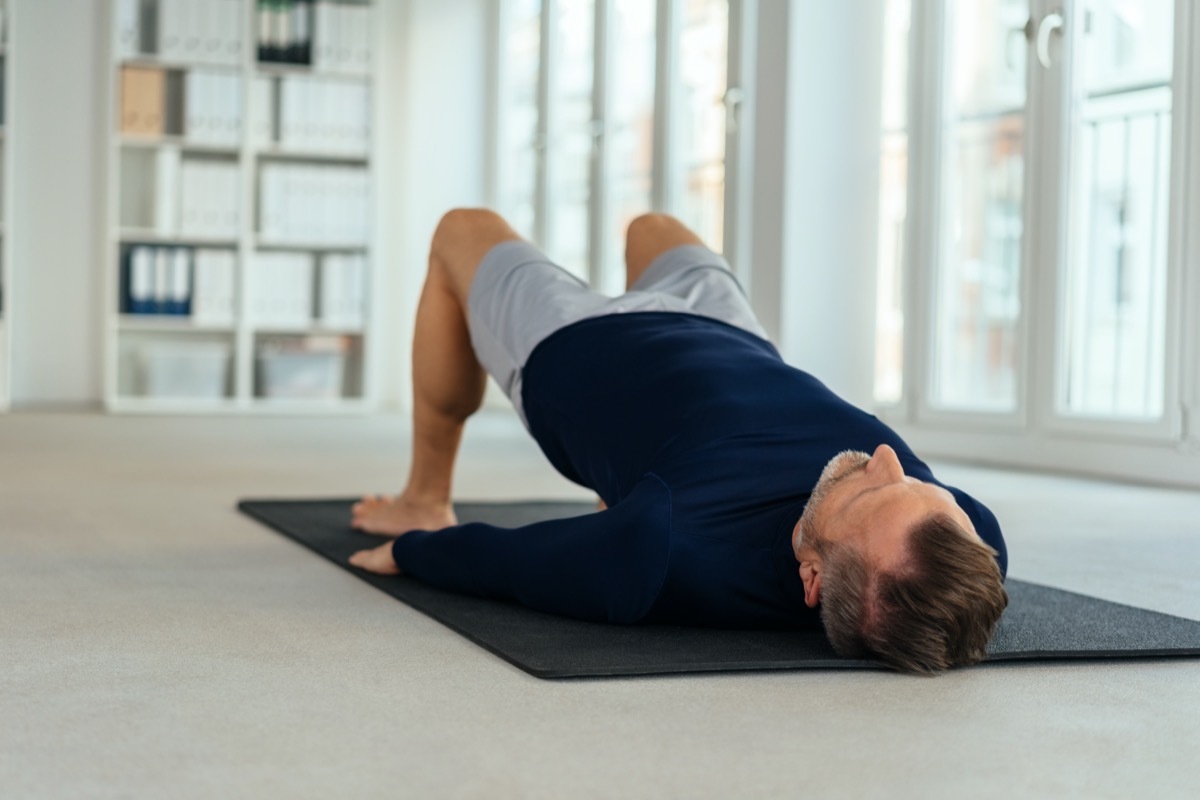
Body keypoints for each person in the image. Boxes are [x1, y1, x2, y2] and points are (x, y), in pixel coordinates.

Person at [348, 208, 1008, 674]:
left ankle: (422, 495)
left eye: (874, 494)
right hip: (732, 333)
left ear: (812, 577)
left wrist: (418, 549)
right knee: (652, 228)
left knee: (461, 229)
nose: (889, 458)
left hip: (579, 343)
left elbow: (522, 562)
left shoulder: (668, 546)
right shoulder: (966, 540)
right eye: (925, 487)